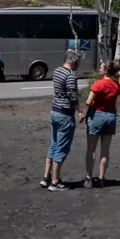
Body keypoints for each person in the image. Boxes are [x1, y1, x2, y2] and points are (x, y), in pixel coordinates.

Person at [42, 49, 84, 191]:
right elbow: (72, 96)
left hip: (54, 111)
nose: (78, 65)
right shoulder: (70, 75)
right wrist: (80, 110)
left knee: (53, 145)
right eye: (78, 62)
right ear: (73, 61)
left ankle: (46, 177)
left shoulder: (57, 71)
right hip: (65, 115)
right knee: (61, 148)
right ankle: (55, 181)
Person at [84, 60, 120, 187]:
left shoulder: (98, 84)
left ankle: (89, 178)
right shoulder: (115, 85)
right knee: (105, 150)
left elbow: (88, 102)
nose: (99, 70)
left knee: (91, 149)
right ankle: (101, 177)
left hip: (97, 116)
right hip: (110, 117)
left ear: (106, 71)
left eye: (101, 68)